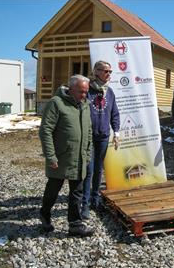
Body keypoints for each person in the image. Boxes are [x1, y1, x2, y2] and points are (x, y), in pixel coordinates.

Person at [39, 74, 94, 237]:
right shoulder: (56, 103)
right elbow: (45, 131)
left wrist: (88, 153)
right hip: (60, 158)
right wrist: (51, 156)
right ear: (70, 90)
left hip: (79, 158)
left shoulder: (85, 105)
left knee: (77, 192)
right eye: (80, 92)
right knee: (53, 190)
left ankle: (75, 224)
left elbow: (89, 131)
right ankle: (45, 214)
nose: (84, 95)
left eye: (86, 92)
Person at [81, 61, 120, 219]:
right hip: (89, 137)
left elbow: (114, 113)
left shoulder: (109, 92)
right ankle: (85, 204)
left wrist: (116, 132)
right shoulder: (87, 90)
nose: (109, 74)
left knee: (98, 170)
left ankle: (95, 201)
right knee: (88, 171)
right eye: (106, 71)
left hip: (103, 136)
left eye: (110, 71)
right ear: (96, 72)